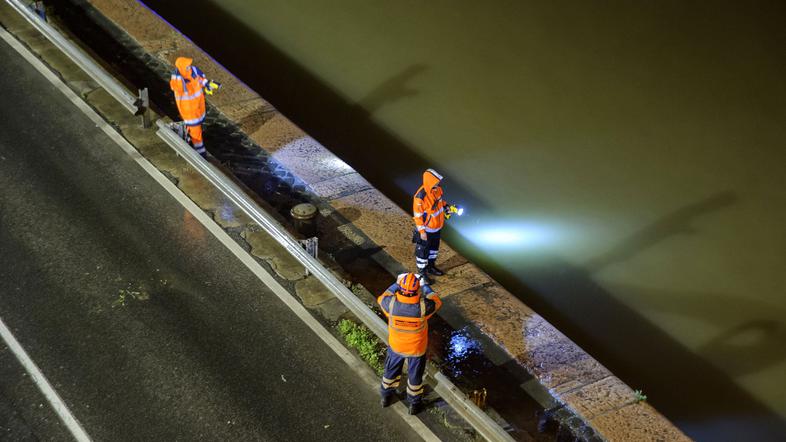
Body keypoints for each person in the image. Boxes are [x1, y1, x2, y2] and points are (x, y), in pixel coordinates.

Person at [378, 272, 442, 415]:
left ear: (400, 288)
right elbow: (437, 301)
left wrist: (396, 283)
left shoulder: (391, 304)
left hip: (396, 347)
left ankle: (386, 397)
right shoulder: (423, 307)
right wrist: (425, 287)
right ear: (416, 290)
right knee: (415, 377)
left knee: (390, 372)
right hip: (416, 349)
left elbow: (381, 297)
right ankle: (414, 405)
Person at [169, 57, 220, 157]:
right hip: (190, 112)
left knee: (195, 129)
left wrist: (207, 84)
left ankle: (188, 136)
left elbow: (200, 80)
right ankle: (200, 153)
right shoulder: (178, 81)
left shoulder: (193, 72)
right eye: (187, 67)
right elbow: (177, 86)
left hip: (197, 107)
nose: (189, 67)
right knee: (196, 132)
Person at [413, 168, 449, 282]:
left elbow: (440, 203)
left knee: (434, 250)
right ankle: (422, 273)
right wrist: (422, 232)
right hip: (427, 230)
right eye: (435, 181)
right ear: (430, 182)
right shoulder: (420, 197)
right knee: (422, 253)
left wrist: (447, 206)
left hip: (437, 228)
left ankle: (431, 267)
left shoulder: (437, 190)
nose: (438, 183)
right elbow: (417, 216)